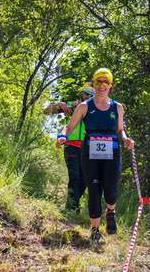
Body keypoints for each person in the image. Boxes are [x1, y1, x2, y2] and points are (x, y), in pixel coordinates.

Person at [57, 68, 134, 243]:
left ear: (111, 85)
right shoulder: (85, 106)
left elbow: (120, 131)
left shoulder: (118, 107)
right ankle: (95, 230)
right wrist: (62, 136)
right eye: (98, 82)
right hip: (90, 153)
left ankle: (111, 211)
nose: (102, 85)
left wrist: (126, 139)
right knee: (93, 190)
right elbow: (69, 127)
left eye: (105, 82)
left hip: (112, 152)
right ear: (94, 84)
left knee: (111, 189)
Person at [44, 84, 95, 212]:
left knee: (84, 180)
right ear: (82, 94)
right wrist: (58, 104)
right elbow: (47, 110)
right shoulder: (75, 106)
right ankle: (72, 208)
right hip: (71, 145)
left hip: (88, 149)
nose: (86, 97)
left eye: (89, 95)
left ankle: (73, 205)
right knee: (75, 177)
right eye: (85, 94)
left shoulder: (97, 110)